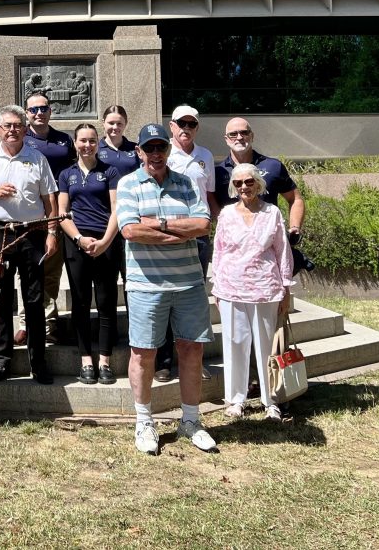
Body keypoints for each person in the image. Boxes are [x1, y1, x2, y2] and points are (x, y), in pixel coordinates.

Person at [116, 124, 215, 455]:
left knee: (191, 350)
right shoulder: (128, 183)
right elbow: (130, 231)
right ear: (140, 151)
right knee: (143, 353)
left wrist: (156, 224)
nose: (156, 153)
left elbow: (202, 225)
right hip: (146, 285)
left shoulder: (186, 183)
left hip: (188, 283)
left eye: (161, 147)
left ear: (168, 150)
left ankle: (190, 421)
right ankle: (144, 421)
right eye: (150, 148)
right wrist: (178, 232)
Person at [0, 104, 59, 385]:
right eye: (7, 126)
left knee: (33, 298)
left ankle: (38, 361)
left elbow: (50, 200)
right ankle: (3, 360)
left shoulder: (37, 158)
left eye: (17, 125)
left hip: (31, 233)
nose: (12, 130)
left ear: (24, 128)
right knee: (1, 297)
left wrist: (52, 232)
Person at [212, 163, 294, 422]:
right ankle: (236, 399)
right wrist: (216, 285)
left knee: (266, 346)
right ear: (233, 187)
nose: (244, 187)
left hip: (265, 288)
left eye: (249, 182)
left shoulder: (272, 213)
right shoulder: (225, 214)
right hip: (231, 288)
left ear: (258, 184)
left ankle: (271, 401)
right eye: (238, 183)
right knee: (235, 344)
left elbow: (282, 250)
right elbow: (219, 250)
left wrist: (286, 287)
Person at [156, 104, 219, 383]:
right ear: (171, 125)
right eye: (181, 123)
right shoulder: (162, 154)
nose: (186, 128)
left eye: (191, 124)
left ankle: (194, 361)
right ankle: (164, 361)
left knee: (194, 300)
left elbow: (210, 197)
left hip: (198, 237)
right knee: (166, 299)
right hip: (168, 236)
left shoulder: (205, 155)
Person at [57, 124, 120, 385]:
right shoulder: (66, 174)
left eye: (92, 141)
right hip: (76, 243)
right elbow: (62, 212)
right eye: (83, 141)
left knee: (106, 302)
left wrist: (105, 241)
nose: (87, 145)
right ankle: (86, 360)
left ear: (98, 143)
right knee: (81, 303)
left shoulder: (110, 172)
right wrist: (79, 239)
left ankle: (105, 360)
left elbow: (117, 209)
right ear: (75, 143)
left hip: (106, 242)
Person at [214, 117, 310, 272]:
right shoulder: (218, 172)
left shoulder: (273, 166)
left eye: (244, 132)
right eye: (233, 134)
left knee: (276, 291)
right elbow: (213, 204)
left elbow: (295, 199)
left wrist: (295, 227)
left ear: (252, 136)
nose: (239, 137)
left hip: (269, 250)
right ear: (226, 139)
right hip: (235, 252)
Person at [20, 91, 76, 345]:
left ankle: (49, 323)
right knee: (29, 271)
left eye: (43, 108)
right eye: (33, 110)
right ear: (26, 113)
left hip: (58, 215)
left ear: (50, 111)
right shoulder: (21, 139)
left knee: (52, 271)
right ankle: (25, 322)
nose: (39, 113)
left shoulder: (64, 140)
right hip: (31, 216)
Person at [96, 104, 140, 182]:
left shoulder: (136, 148)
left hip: (130, 193)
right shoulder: (95, 149)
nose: (115, 127)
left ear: (125, 123)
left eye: (119, 123)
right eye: (111, 123)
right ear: (103, 123)